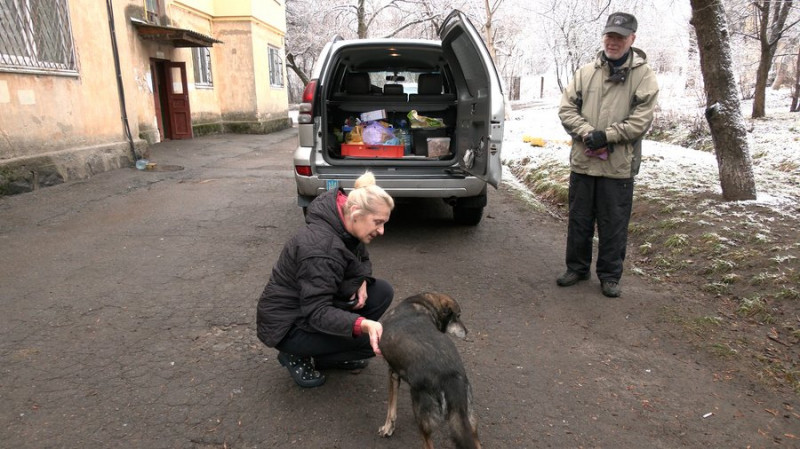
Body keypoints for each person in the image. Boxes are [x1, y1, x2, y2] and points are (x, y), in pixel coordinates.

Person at [256, 171, 395, 387]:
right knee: (370, 343)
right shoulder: (321, 248)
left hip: (310, 307)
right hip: (289, 325)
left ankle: (327, 353)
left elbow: (362, 258)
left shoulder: (345, 222)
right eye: (378, 222)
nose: (382, 231)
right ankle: (295, 354)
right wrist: (362, 324)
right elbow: (317, 311)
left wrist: (362, 280)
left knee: (382, 292)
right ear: (356, 212)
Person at [556, 12, 659, 298]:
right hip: (584, 161)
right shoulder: (586, 72)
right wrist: (589, 133)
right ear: (604, 37)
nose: (613, 42)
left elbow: (641, 120)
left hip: (618, 165)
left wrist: (608, 136)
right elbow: (566, 109)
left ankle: (610, 275)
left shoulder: (644, 76)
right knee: (579, 219)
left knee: (613, 223)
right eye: (609, 36)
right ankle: (576, 268)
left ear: (632, 39)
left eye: (620, 37)